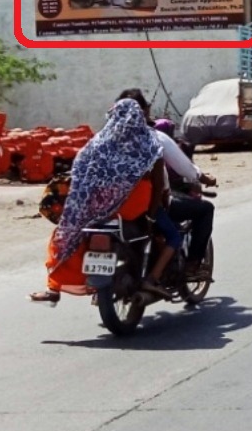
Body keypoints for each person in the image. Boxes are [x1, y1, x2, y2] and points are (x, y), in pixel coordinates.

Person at [29, 98, 174, 304]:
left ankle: (53, 287)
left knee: (67, 233)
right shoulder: (149, 143)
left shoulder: (97, 144)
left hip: (99, 208)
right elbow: (159, 185)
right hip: (134, 208)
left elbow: (79, 175)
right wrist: (150, 218)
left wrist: (80, 207)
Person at [118, 89, 217, 281]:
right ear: (145, 111)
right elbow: (183, 170)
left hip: (113, 207)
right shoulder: (152, 139)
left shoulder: (105, 140)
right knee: (204, 209)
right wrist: (205, 178)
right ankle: (192, 265)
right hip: (146, 204)